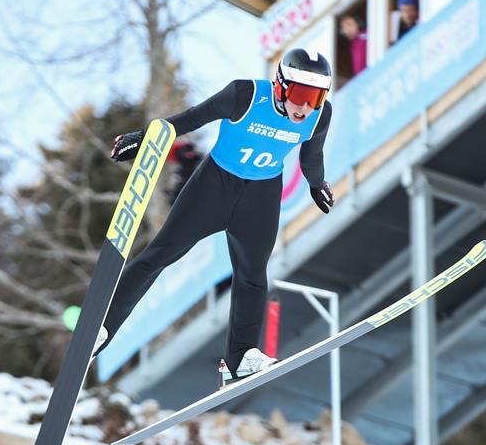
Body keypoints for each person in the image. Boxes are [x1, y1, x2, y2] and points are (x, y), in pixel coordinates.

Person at [97, 48, 335, 388]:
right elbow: (189, 119)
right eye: (300, 94)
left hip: (261, 196)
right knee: (160, 254)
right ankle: (102, 328)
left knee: (253, 275)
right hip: (214, 186)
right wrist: (143, 139)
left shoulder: (318, 115)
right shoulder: (245, 95)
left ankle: (240, 358)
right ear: (281, 86)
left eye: (315, 97)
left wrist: (317, 184)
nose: (305, 106)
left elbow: (312, 156)